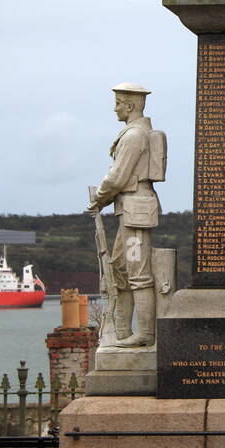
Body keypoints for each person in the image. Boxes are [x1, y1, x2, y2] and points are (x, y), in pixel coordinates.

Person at [85, 83, 166, 348]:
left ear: (129, 105)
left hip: (136, 211)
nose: (115, 108)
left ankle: (144, 334)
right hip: (129, 208)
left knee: (137, 272)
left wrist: (99, 197)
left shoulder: (134, 136)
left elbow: (118, 176)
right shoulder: (134, 133)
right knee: (119, 268)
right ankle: (120, 332)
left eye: (119, 103)